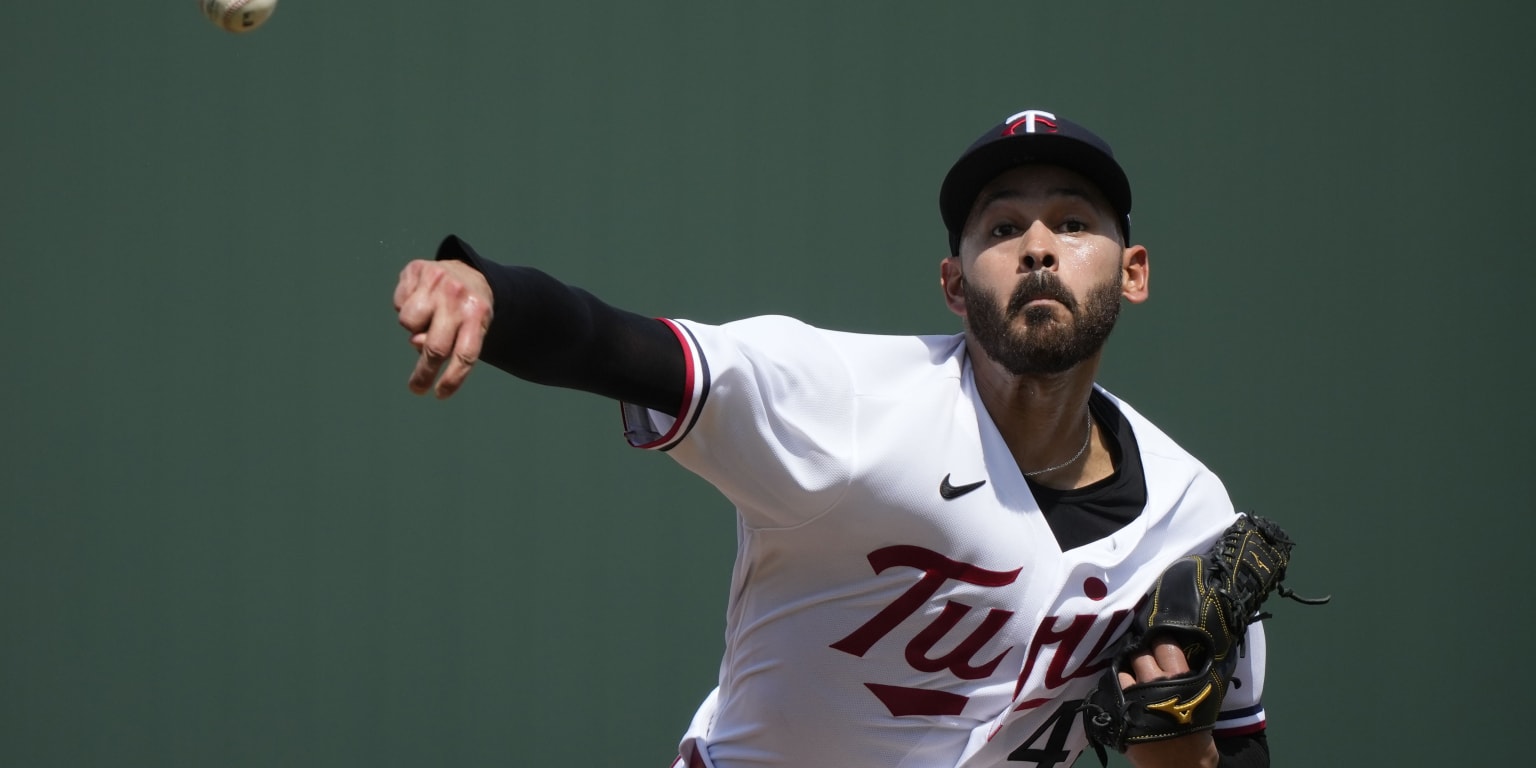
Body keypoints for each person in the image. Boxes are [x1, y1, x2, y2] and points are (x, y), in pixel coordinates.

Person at [392, 108, 1274, 768]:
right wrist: (493, 296)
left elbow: (1233, 752)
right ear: (955, 287)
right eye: (1002, 229)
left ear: (1133, 272)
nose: (1038, 248)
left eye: (1073, 224)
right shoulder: (850, 402)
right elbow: (626, 349)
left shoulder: (1192, 517)